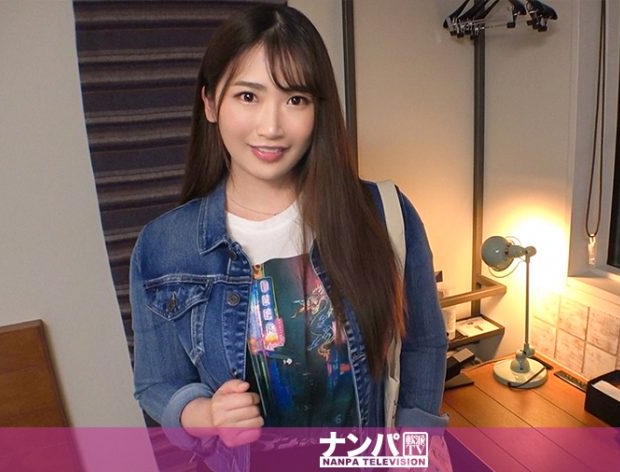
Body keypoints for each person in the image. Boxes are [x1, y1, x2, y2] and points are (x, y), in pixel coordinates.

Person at [129, 2, 448, 457]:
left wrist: (413, 452)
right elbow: (156, 383)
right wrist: (207, 413)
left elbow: (424, 345)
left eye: (295, 99)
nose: (272, 127)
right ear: (211, 103)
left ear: (318, 109)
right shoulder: (164, 245)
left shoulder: (384, 214)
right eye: (248, 96)